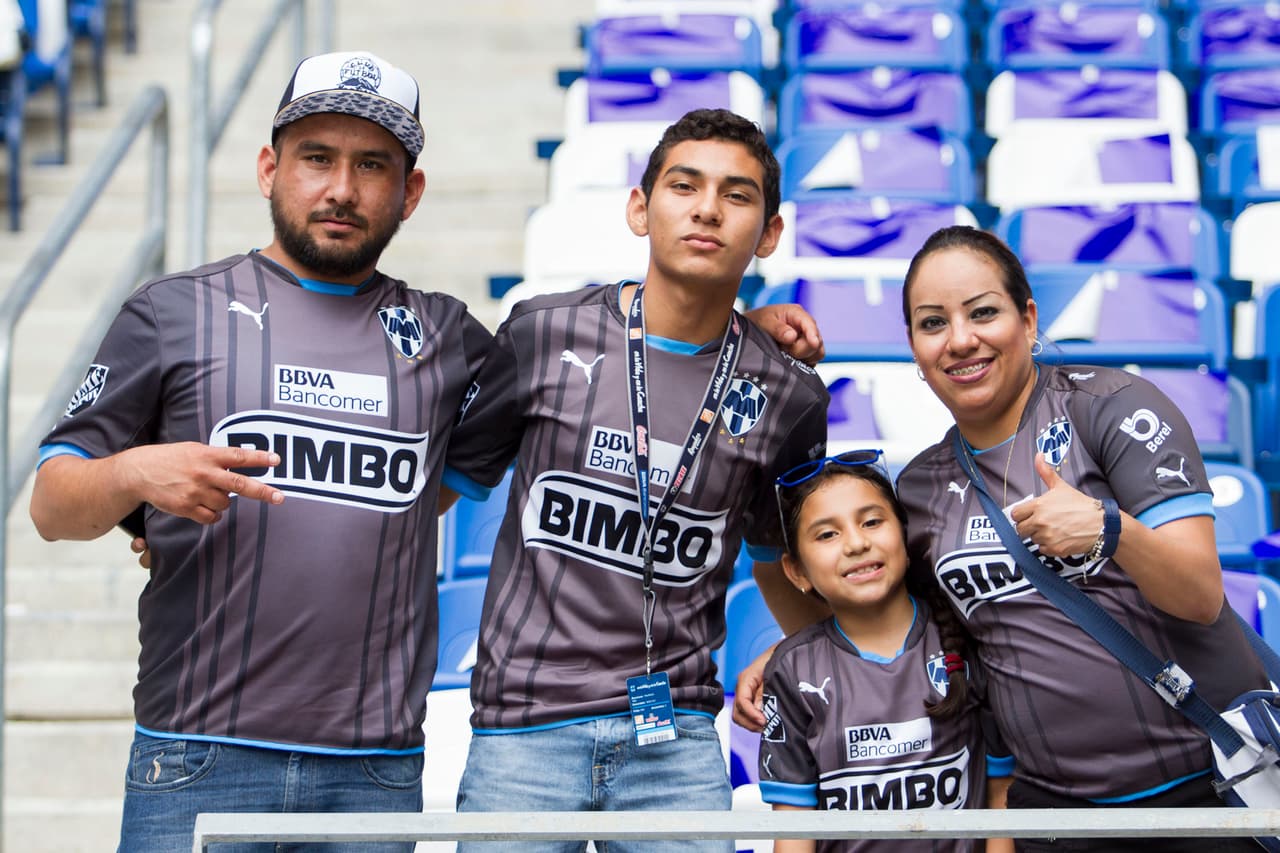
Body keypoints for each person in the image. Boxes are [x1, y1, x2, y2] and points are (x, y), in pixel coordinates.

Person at [27, 50, 493, 853]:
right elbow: (51, 503)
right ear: (269, 168)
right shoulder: (171, 312)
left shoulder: (449, 336)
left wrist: (741, 331)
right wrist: (141, 473)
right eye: (316, 158)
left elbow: (443, 481)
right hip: (198, 755)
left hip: (374, 772)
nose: (341, 189)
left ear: (410, 192)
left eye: (372, 165)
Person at [441, 108, 831, 852]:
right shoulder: (542, 331)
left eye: (737, 195)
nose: (708, 208)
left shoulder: (788, 393)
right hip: (523, 731)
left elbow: (779, 558)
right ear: (639, 207)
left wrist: (806, 648)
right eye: (684, 185)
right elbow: (438, 492)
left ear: (770, 234)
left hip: (676, 739)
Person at [891, 225, 1266, 851]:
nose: (961, 340)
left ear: (1028, 318)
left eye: (984, 312)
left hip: (1208, 796)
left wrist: (1109, 529)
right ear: (913, 346)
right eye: (934, 323)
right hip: (1057, 820)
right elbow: (938, 637)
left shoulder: (1112, 406)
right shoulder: (922, 487)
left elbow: (1201, 595)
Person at [760, 448, 1011, 853]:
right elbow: (794, 824)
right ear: (797, 571)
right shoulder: (792, 670)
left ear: (905, 536)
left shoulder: (967, 640)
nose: (857, 543)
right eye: (827, 534)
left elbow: (1002, 795)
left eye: (872, 521)